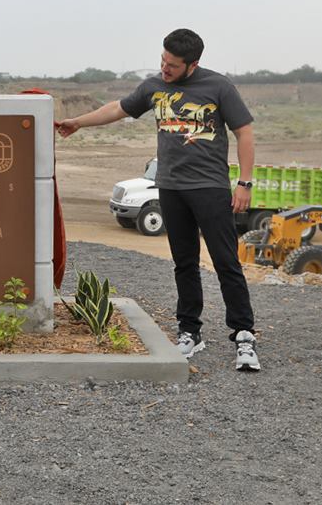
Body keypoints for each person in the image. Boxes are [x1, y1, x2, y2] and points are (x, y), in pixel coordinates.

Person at [57, 28, 261, 371]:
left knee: (226, 261)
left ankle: (243, 335)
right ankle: (189, 332)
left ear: (192, 65)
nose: (165, 69)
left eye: (173, 65)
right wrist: (79, 122)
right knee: (183, 262)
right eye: (163, 61)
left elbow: (245, 132)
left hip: (209, 187)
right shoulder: (155, 86)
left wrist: (244, 183)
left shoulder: (219, 87)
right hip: (170, 187)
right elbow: (118, 109)